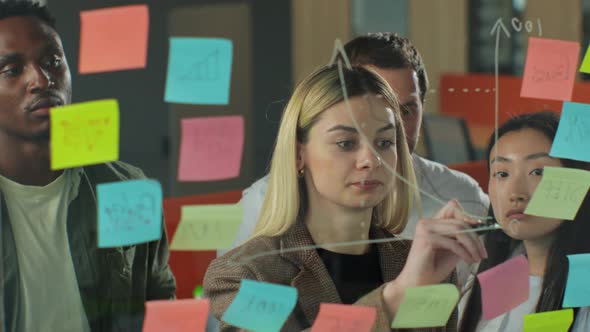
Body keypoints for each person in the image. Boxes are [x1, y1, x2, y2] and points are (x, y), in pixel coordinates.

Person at [204, 65, 487, 331]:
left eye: (385, 143)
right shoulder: (245, 274)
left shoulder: (421, 266)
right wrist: (395, 299)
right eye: (346, 143)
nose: (371, 160)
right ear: (298, 155)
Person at [225, 33, 489, 258]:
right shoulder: (260, 209)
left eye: (405, 112)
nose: (391, 129)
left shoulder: (460, 197)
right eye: (346, 141)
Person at [0, 2, 175, 331]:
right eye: (12, 69)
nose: (41, 79)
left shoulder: (126, 188)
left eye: (52, 61)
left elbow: (159, 303)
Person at [459, 112, 590, 331]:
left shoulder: (582, 289)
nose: (516, 193)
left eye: (538, 172)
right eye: (502, 174)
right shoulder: (487, 276)